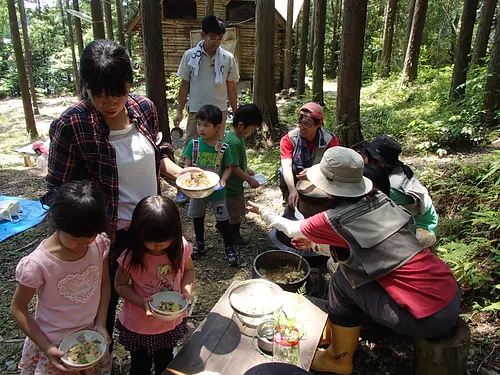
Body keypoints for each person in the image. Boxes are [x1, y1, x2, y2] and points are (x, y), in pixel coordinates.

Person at [248, 147, 460, 375]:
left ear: (328, 186)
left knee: (342, 281)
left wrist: (262, 212)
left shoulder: (334, 218)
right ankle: (335, 332)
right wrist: (317, 245)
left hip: (427, 316)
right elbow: (361, 250)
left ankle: (339, 359)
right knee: (348, 273)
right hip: (448, 292)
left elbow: (291, 229)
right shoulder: (378, 198)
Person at [42, 40, 200, 345]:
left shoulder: (144, 108)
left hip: (152, 224)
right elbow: (56, 191)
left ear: (129, 83)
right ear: (86, 86)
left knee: (158, 289)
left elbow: (159, 153)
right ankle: (101, 355)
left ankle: (157, 345)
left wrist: (177, 172)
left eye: (117, 91)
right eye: (98, 92)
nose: (108, 101)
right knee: (106, 299)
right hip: (108, 235)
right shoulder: (72, 125)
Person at [11, 181, 111, 374]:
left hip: (89, 338)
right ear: (57, 221)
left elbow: (105, 285)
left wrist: (100, 324)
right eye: (74, 237)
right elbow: (18, 308)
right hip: (53, 343)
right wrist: (46, 347)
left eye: (88, 236)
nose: (82, 244)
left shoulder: (98, 245)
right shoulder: (38, 264)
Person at [114, 196, 195, 375]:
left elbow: (189, 271)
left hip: (170, 322)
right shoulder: (132, 256)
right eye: (151, 240)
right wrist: (141, 302)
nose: (158, 246)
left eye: (164, 240)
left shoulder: (180, 247)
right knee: (140, 366)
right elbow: (120, 285)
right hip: (141, 324)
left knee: (166, 362)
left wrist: (186, 290)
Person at [174, 14, 240, 204]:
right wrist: (179, 111)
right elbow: (184, 85)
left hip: (219, 112)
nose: (217, 42)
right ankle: (184, 187)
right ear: (203, 35)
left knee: (216, 150)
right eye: (213, 38)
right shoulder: (190, 56)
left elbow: (231, 87)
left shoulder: (227, 58)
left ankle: (212, 185)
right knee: (191, 148)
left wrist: (235, 112)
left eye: (220, 38)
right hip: (196, 111)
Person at [184, 105, 238, 266]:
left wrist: (223, 180)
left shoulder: (224, 148)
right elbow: (186, 166)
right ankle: (200, 243)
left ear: (217, 127)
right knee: (197, 217)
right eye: (199, 124)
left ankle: (229, 247)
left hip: (217, 191)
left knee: (223, 220)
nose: (201, 128)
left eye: (206, 125)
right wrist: (188, 178)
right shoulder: (193, 145)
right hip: (197, 190)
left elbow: (228, 167)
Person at [363, 135, 439, 248]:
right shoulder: (397, 172)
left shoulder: (394, 188)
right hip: (415, 222)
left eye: (366, 156)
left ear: (379, 162)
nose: (364, 159)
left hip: (422, 229)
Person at [279, 102, 340, 208]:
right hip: (298, 173)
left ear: (318, 125)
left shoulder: (330, 139)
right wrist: (292, 190)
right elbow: (286, 166)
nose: (302, 127)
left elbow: (334, 165)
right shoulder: (289, 139)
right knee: (282, 171)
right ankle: (289, 199)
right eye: (300, 123)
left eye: (307, 124)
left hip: (322, 175)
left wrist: (315, 171)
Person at [224, 104, 263, 245]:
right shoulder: (234, 142)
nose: (252, 131)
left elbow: (235, 162)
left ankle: (225, 227)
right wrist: (249, 179)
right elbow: (233, 167)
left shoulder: (234, 136)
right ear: (241, 125)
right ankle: (233, 236)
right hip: (232, 186)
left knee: (232, 209)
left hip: (233, 184)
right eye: (252, 128)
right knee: (235, 212)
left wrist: (246, 170)